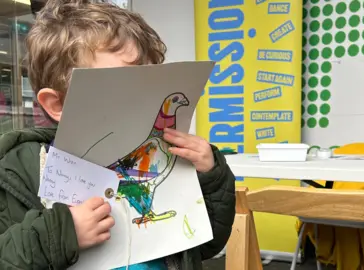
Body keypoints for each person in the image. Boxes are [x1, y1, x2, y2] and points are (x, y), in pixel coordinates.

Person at [0, 0, 236, 269]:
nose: (137, 103)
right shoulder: (20, 170)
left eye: (148, 86)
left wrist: (211, 176)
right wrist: (61, 233)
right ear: (58, 104)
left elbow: (208, 244)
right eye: (119, 88)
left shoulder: (167, 153)